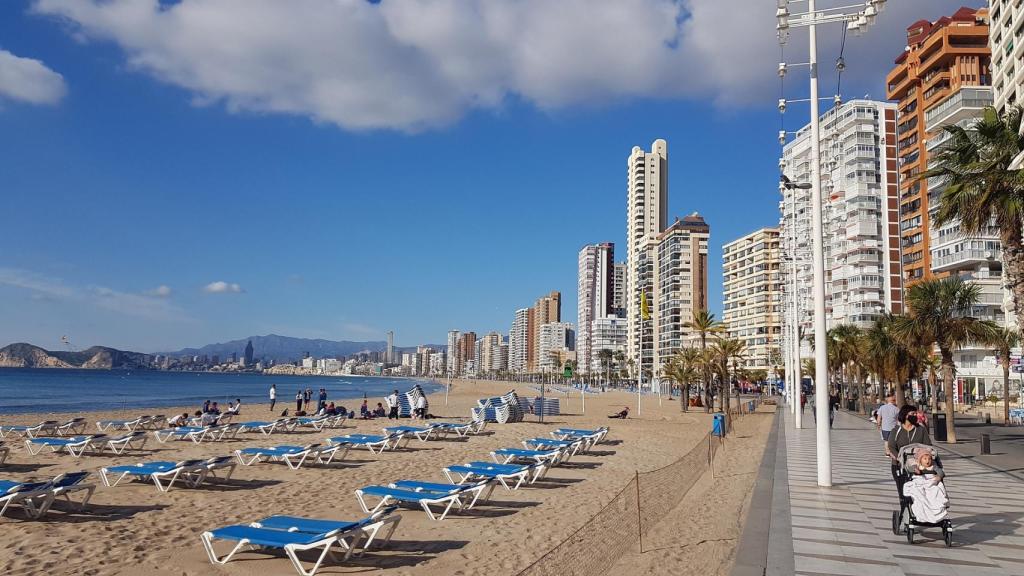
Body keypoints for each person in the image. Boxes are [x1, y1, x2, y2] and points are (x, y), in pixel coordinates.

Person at [886, 404, 932, 498]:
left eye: (916, 413)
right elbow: (891, 446)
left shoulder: (920, 429)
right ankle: (905, 508)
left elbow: (928, 445)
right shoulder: (896, 430)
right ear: (906, 415)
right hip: (899, 465)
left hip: (919, 465)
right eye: (913, 414)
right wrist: (899, 458)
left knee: (919, 492)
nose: (915, 416)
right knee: (903, 492)